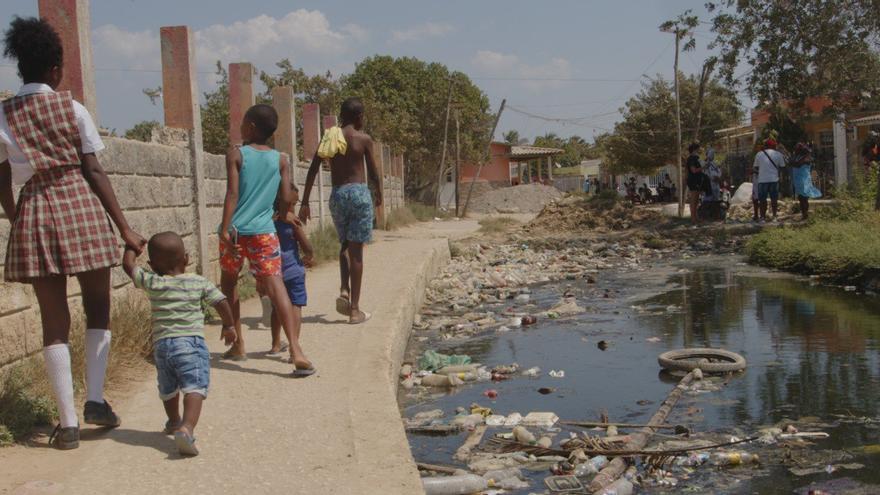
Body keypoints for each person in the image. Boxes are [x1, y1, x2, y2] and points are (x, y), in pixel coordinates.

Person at [0, 17, 147, 449]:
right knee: (98, 304)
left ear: (21, 66)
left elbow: (1, 176)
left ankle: (66, 425)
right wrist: (124, 227)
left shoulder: (3, 115)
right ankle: (96, 400)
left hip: (36, 207)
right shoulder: (73, 108)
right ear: (55, 69)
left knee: (53, 319)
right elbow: (94, 169)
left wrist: (16, 217)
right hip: (79, 204)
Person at [218, 104, 314, 376]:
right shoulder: (281, 159)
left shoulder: (236, 154)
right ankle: (296, 349)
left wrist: (225, 229)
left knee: (229, 283)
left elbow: (232, 194)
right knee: (276, 287)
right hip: (264, 232)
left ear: (249, 127)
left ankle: (238, 344)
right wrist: (282, 215)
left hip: (236, 232)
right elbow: (285, 198)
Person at [122, 232, 235, 456]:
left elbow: (128, 266)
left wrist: (131, 247)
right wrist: (229, 326)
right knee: (194, 386)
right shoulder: (198, 281)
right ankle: (187, 427)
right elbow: (221, 301)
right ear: (186, 258)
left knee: (169, 387)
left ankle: (174, 421)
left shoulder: (153, 281)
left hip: (163, 346)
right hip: (191, 343)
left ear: (153, 265)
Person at [299, 98, 382, 324]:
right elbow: (373, 172)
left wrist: (304, 201)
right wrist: (379, 194)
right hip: (358, 194)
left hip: (338, 195)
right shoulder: (363, 139)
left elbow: (313, 169)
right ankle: (354, 311)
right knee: (356, 253)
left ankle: (344, 288)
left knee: (345, 244)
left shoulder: (330, 137)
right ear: (358, 117)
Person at [268, 184, 314, 356]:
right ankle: (294, 347)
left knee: (276, 307)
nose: (294, 208)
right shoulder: (294, 223)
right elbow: (307, 247)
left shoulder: (269, 222)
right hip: (294, 271)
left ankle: (275, 344)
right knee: (296, 305)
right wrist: (309, 257)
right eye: (293, 204)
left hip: (275, 274)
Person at [753, 138, 787, 221]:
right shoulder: (778, 154)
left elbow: (756, 167)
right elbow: (783, 168)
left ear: (766, 145)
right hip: (774, 180)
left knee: (762, 200)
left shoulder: (759, 154)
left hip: (762, 180)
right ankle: (775, 216)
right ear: (773, 145)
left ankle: (762, 218)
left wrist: (763, 170)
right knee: (774, 199)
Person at [790, 141, 821, 220]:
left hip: (804, 180)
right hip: (798, 180)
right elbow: (791, 163)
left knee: (804, 198)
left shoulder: (806, 158)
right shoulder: (797, 157)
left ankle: (805, 214)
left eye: (797, 149)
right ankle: (804, 214)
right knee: (801, 198)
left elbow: (796, 164)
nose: (795, 150)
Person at [685, 142, 704, 224]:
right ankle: (693, 218)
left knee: (696, 200)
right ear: (695, 149)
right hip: (693, 180)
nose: (700, 150)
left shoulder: (696, 158)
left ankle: (696, 217)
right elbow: (693, 170)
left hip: (697, 180)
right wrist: (702, 167)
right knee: (693, 199)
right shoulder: (692, 159)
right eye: (699, 148)